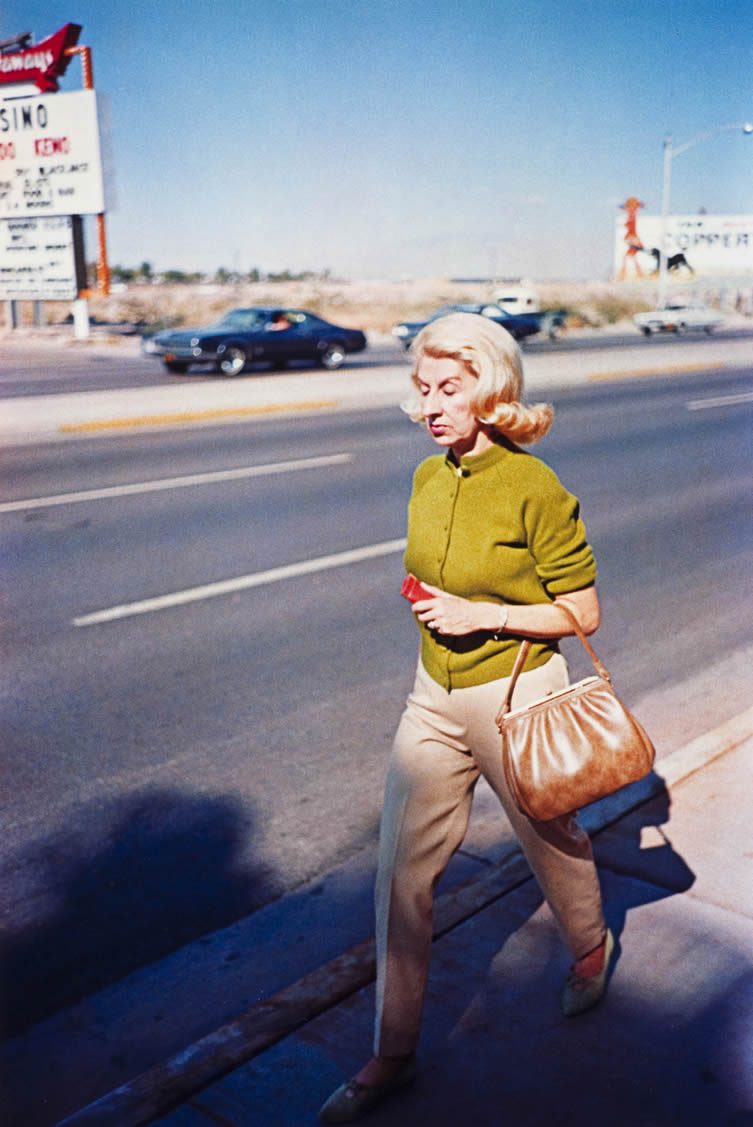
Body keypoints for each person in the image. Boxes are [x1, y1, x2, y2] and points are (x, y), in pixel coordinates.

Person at [320, 312, 614, 1123]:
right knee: (398, 872)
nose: (431, 406)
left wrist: (483, 612)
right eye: (422, 389)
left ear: (489, 391)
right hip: (432, 695)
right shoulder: (425, 476)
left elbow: (582, 611)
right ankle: (393, 1049)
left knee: (549, 839)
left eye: (448, 389)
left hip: (515, 694)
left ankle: (589, 945)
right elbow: (430, 573)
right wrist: (426, 601)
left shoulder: (535, 487)